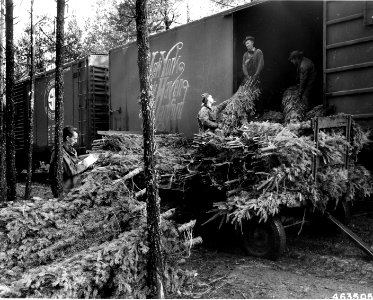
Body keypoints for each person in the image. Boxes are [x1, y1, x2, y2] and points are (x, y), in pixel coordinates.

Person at [49, 126, 96, 191]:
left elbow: (76, 162)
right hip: (63, 186)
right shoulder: (60, 152)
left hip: (69, 181)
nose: (76, 141)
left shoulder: (70, 150)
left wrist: (88, 165)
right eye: (75, 138)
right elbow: (71, 171)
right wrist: (85, 164)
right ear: (68, 138)